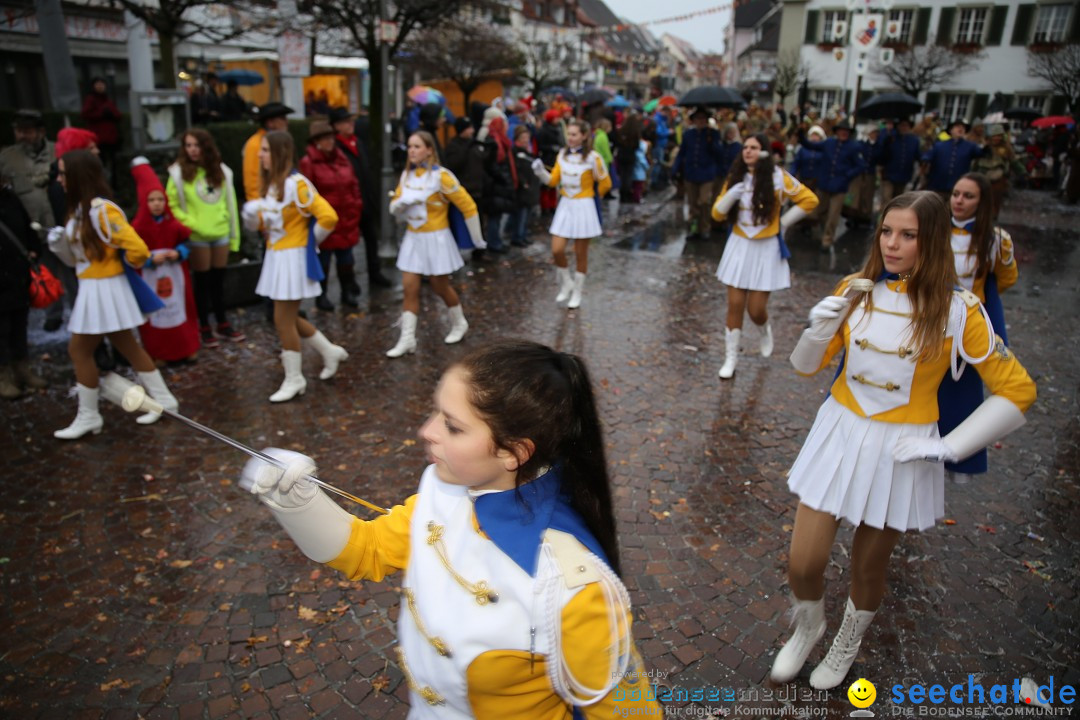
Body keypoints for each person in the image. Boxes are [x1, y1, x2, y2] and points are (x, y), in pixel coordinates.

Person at [241, 339, 661, 718]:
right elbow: (364, 549)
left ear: (513, 452)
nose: (426, 431)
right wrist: (297, 503)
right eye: (436, 413)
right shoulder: (444, 488)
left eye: (453, 426)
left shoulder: (571, 585)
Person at [772, 191, 1036, 690]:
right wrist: (816, 329)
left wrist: (949, 447)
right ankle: (809, 626)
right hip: (841, 430)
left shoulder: (961, 311)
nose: (892, 244)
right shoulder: (856, 288)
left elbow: (1019, 389)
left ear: (930, 240)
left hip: (903, 445)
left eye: (908, 235)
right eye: (886, 231)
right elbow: (806, 367)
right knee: (802, 561)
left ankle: (847, 641)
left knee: (868, 565)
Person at [46, 150, 182, 438]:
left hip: (103, 288)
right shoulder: (82, 211)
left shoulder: (101, 210)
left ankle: (89, 416)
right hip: (95, 287)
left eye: (63, 173)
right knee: (127, 346)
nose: (59, 179)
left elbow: (138, 249)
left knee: (80, 350)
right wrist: (59, 245)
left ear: (78, 176)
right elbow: (76, 261)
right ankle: (164, 401)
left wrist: (121, 268)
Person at [241, 131, 348, 402]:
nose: (260, 155)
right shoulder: (273, 185)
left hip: (292, 258)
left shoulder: (297, 184)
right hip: (277, 256)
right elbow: (262, 226)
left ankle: (295, 378)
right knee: (287, 318)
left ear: (278, 153)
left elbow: (328, 216)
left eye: (265, 150)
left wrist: (309, 244)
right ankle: (328, 351)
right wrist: (251, 217)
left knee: (282, 320)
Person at [711, 133, 820, 379]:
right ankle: (730, 359)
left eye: (754, 147)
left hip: (766, 248)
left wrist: (784, 223)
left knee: (756, 309)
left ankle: (764, 329)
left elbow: (810, 200)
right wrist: (731, 195)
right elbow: (716, 215)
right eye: (745, 147)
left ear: (764, 152)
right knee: (735, 305)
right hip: (739, 246)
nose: (748, 151)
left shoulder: (778, 177)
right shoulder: (735, 177)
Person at [937, 171, 1018, 479]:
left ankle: (958, 457)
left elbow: (1004, 280)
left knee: (962, 391)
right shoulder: (932, 230)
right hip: (930, 318)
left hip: (967, 324)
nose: (959, 201)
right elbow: (909, 274)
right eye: (956, 193)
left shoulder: (996, 240)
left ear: (982, 202)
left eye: (968, 196)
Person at [385, 131, 484, 358]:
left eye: (417, 146)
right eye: (410, 146)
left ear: (429, 149)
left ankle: (459, 323)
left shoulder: (442, 177)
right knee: (410, 287)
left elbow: (468, 206)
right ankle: (407, 338)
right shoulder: (407, 175)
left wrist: (477, 239)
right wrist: (399, 205)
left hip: (437, 239)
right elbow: (395, 206)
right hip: (413, 238)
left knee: (440, 287)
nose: (412, 151)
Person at [166, 129, 245, 347]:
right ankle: (204, 326)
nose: (192, 150)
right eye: (188, 145)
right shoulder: (178, 174)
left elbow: (229, 203)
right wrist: (191, 225)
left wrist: (233, 235)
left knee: (218, 281)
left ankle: (222, 322)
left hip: (220, 233)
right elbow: (171, 204)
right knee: (201, 282)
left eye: (196, 145)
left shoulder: (221, 172)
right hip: (197, 236)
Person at [531, 119, 612, 310]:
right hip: (566, 205)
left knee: (580, 253)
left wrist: (593, 199)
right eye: (569, 134)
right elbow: (552, 181)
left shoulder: (593, 157)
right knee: (557, 249)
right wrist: (540, 172)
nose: (570, 138)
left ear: (584, 136)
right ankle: (566, 281)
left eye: (575, 134)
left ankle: (577, 291)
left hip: (584, 206)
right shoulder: (562, 155)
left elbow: (605, 182)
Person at [130, 157, 199, 364]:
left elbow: (187, 243)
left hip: (176, 278)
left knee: (181, 310)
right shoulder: (137, 228)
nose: (157, 204)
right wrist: (149, 260)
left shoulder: (174, 225)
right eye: (151, 200)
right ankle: (159, 352)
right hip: (151, 278)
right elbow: (131, 255)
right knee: (155, 316)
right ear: (144, 203)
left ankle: (187, 348)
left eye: (160, 199)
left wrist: (179, 253)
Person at [299, 120, 363, 311]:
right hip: (325, 222)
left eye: (330, 138)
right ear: (316, 142)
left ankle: (347, 292)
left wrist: (356, 205)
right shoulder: (308, 163)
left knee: (346, 259)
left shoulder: (342, 158)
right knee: (324, 260)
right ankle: (321, 295)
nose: (330, 142)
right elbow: (307, 192)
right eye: (325, 139)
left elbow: (353, 184)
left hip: (346, 218)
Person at [330, 107, 392, 289]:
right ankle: (348, 282)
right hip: (348, 203)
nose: (351, 125)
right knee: (347, 243)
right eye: (345, 122)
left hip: (365, 199)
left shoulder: (358, 143)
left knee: (371, 238)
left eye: (351, 121)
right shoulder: (336, 148)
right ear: (336, 126)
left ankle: (375, 271)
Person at [0, 175, 48, 398]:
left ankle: (22, 369)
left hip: (17, 275)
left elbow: (26, 227)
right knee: (1, 329)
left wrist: (33, 249)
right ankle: (3, 375)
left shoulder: (10, 198)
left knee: (19, 325)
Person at [799, 120, 865, 250]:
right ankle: (823, 229)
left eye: (846, 131)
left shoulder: (854, 147)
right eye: (841, 130)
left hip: (839, 186)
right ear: (837, 131)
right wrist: (801, 132)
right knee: (819, 211)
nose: (843, 133)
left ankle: (827, 240)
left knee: (834, 214)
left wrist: (847, 175)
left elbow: (860, 165)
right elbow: (809, 145)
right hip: (824, 183)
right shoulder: (829, 143)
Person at [672, 108, 722, 241]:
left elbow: (718, 153)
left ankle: (704, 228)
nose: (700, 121)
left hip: (707, 174)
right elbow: (682, 152)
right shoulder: (689, 134)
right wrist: (675, 168)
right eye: (697, 119)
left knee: (704, 201)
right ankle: (693, 228)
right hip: (691, 173)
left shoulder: (713, 134)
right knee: (693, 203)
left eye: (702, 119)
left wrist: (712, 142)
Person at [921, 119, 987, 202]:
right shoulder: (939, 145)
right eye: (957, 127)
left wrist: (986, 143)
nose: (961, 129)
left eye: (963, 127)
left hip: (958, 188)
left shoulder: (970, 146)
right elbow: (927, 156)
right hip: (937, 185)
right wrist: (925, 161)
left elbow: (983, 153)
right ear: (951, 130)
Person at [481, 116, 518, 255]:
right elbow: (492, 166)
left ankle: (496, 241)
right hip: (495, 187)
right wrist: (503, 178)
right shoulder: (493, 143)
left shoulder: (501, 141)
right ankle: (494, 243)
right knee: (494, 217)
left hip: (498, 186)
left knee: (497, 216)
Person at [972, 124, 1025, 220]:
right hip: (982, 176)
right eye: (995, 135)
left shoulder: (1006, 148)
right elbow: (975, 162)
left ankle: (993, 218)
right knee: (980, 198)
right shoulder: (984, 146)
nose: (997, 138)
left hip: (998, 177)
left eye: (999, 136)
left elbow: (1013, 161)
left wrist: (1022, 171)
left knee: (995, 198)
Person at [243, 102, 292, 201]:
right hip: (266, 207)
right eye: (282, 118)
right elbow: (252, 183)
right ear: (270, 122)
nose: (287, 122)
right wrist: (261, 211)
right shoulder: (255, 144)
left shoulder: (280, 142)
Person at [80, 77, 122, 184]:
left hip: (111, 139)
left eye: (102, 84)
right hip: (99, 139)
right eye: (98, 84)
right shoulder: (91, 99)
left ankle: (113, 183)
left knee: (113, 164)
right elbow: (85, 114)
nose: (100, 86)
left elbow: (117, 114)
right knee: (100, 163)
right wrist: (101, 113)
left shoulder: (107, 100)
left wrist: (111, 114)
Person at [509, 125, 540, 248]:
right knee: (521, 214)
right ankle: (518, 236)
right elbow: (517, 169)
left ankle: (522, 235)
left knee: (526, 213)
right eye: (523, 137)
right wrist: (523, 182)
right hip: (523, 188)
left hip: (529, 186)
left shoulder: (527, 151)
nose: (526, 139)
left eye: (527, 137)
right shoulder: (516, 152)